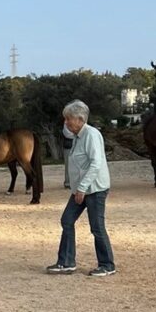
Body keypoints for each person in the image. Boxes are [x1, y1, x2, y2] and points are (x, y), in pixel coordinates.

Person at [46, 99, 116, 277]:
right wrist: (79, 188)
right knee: (67, 220)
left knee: (97, 227)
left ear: (80, 119)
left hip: (94, 189)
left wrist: (82, 187)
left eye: (69, 119)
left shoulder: (91, 135)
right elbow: (66, 133)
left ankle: (107, 264)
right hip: (80, 190)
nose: (66, 122)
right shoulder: (77, 135)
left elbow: (96, 163)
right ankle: (66, 262)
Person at [62, 123, 74, 189]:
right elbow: (67, 134)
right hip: (68, 145)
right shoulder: (67, 122)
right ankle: (68, 182)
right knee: (68, 164)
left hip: (77, 145)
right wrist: (76, 134)